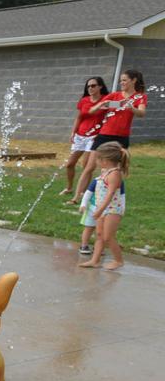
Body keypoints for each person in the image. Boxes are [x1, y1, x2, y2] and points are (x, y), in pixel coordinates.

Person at [70, 69, 147, 204]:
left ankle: (111, 198)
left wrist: (131, 108)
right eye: (121, 80)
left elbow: (141, 113)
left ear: (133, 80)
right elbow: (92, 110)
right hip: (104, 135)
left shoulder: (140, 97)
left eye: (124, 80)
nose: (121, 83)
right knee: (89, 167)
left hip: (121, 137)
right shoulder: (114, 95)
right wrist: (102, 104)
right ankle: (76, 198)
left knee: (116, 169)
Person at [78, 142, 129, 271]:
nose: (96, 161)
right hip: (103, 209)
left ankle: (118, 260)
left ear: (105, 160)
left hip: (113, 210)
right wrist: (99, 209)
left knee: (108, 237)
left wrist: (100, 210)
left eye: (97, 158)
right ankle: (95, 260)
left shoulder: (114, 174)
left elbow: (110, 194)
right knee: (100, 235)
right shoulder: (105, 172)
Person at [60, 77, 108, 196]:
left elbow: (110, 117)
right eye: (88, 86)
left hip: (94, 136)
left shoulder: (106, 100)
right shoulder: (84, 100)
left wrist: (101, 133)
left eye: (93, 86)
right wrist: (73, 132)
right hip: (80, 135)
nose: (90, 88)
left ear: (100, 86)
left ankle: (82, 192)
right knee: (70, 164)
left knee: (86, 166)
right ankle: (69, 188)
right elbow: (79, 117)